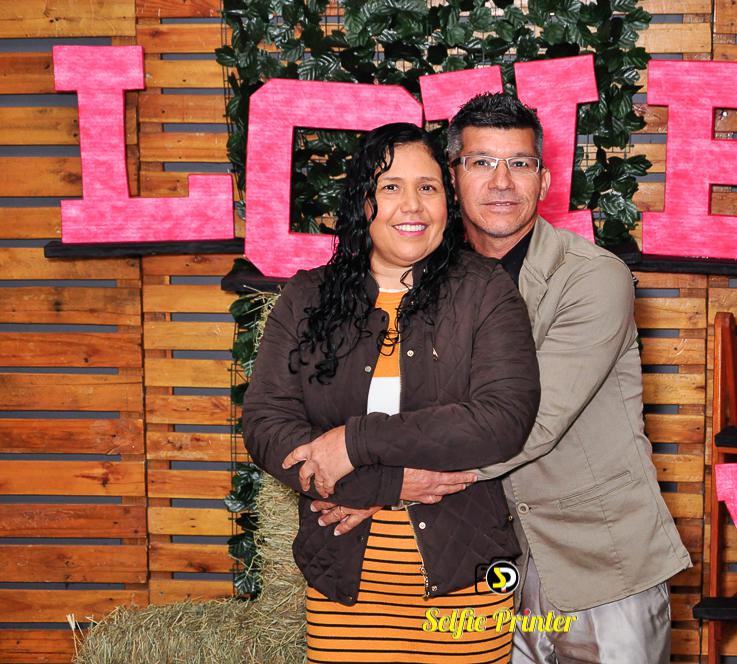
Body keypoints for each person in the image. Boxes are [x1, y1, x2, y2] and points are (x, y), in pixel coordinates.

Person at [315, 94, 693, 663]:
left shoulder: (592, 278)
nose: (501, 182)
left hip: (599, 560)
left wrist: (390, 483)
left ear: (544, 181)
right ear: (452, 178)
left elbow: (529, 422)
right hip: (488, 566)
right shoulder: (423, 282)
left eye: (519, 163)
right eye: (481, 162)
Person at [242, 121, 541, 663]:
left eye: (427, 187)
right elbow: (266, 426)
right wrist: (387, 484)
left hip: (465, 589)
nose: (412, 206)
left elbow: (501, 420)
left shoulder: (485, 292)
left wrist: (354, 443)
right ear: (364, 202)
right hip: (343, 589)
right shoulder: (306, 298)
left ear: (447, 201)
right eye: (390, 187)